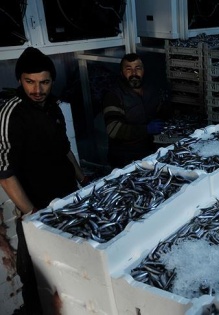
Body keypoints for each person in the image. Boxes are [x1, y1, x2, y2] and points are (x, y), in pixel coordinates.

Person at [0, 47, 88, 315]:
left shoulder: (54, 108)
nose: (37, 89)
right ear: (20, 80)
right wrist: (30, 212)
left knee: (72, 263)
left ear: (52, 81)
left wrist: (83, 179)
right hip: (36, 209)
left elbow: (65, 149)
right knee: (36, 274)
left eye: (44, 82)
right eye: (30, 81)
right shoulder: (11, 113)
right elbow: (4, 171)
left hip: (67, 200)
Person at [102, 53, 169, 169]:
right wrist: (146, 129)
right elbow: (113, 129)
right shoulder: (114, 96)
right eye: (128, 69)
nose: (134, 73)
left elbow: (160, 111)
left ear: (143, 70)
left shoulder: (151, 90)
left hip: (149, 153)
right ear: (122, 72)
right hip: (124, 159)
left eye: (138, 68)